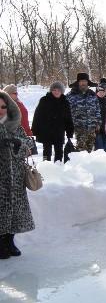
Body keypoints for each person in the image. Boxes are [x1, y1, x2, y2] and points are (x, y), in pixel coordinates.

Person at [0, 90, 35, 259]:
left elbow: (30, 144)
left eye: (3, 106)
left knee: (14, 212)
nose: (1, 110)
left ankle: (9, 241)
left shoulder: (15, 124)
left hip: (16, 178)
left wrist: (18, 144)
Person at [32, 82, 74, 162]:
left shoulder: (65, 102)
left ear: (62, 91)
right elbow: (37, 115)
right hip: (46, 131)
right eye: (54, 90)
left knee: (59, 151)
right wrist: (35, 129)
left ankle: (58, 167)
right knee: (46, 151)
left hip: (59, 131)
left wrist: (70, 131)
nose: (56, 92)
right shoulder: (44, 100)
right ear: (51, 90)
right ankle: (45, 166)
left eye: (58, 90)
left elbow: (68, 119)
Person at [66, 73, 101, 153]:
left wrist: (98, 123)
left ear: (87, 83)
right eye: (81, 81)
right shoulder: (71, 96)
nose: (83, 83)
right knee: (80, 151)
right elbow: (66, 112)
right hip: (79, 128)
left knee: (90, 151)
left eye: (85, 81)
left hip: (92, 128)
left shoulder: (92, 95)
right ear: (78, 82)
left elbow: (97, 110)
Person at [94, 83, 106, 153]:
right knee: (99, 149)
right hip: (97, 129)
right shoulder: (93, 101)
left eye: (103, 92)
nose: (101, 93)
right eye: (100, 92)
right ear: (97, 92)